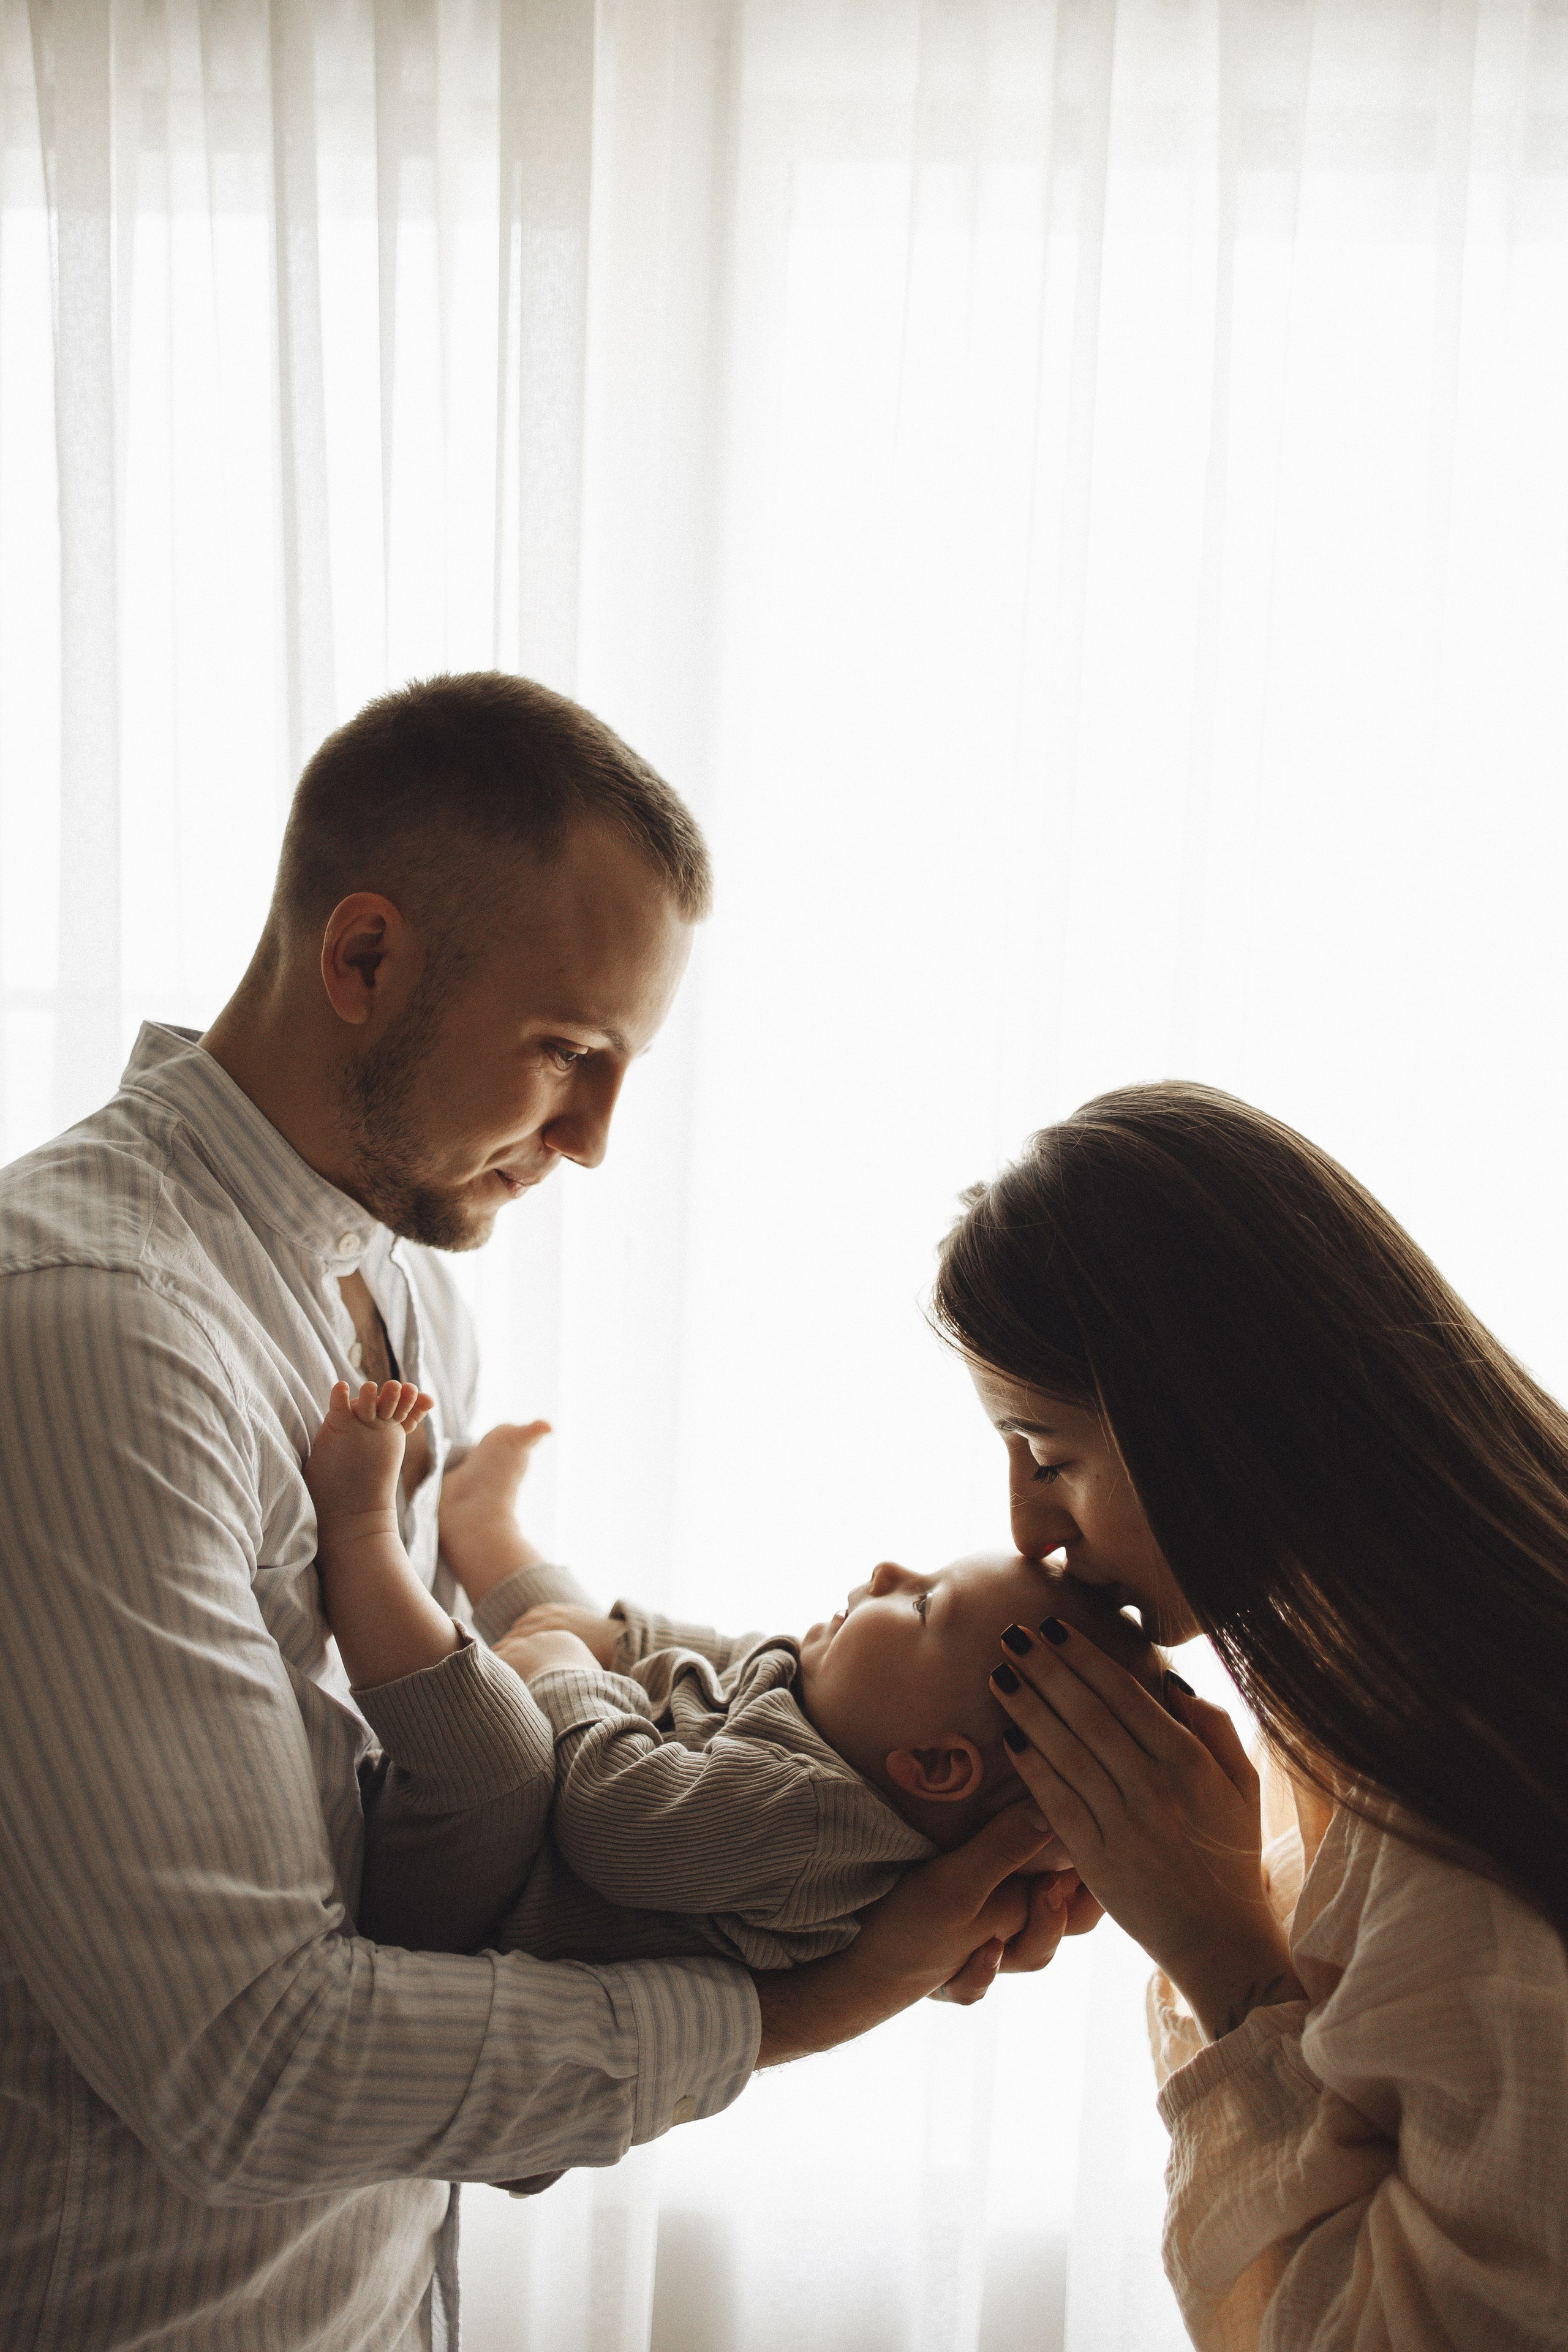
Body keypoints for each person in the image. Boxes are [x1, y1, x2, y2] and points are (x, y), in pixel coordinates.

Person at [0, 672, 1065, 2352]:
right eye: (570, 1052)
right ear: (364, 961)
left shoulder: (410, 1305)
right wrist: (800, 2006)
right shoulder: (84, 1333)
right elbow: (241, 2068)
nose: (593, 1138)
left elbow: (450, 1839)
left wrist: (857, 1852)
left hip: (381, 2301)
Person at [930, 1081, 1568, 2351]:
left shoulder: (1462, 1757)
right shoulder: (1374, 1699)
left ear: (1203, 1410)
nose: (1026, 1531)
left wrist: (1218, 1954)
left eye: (1045, 1455)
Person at [296, 1374, 1146, 1964]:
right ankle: (479, 1523)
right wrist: (611, 1643)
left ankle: (358, 1530)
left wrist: (566, 1673)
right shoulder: (840, 1724)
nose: (888, 1573)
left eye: (924, 1606)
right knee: (588, 1623)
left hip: (464, 1912)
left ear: (933, 1764)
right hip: (520, 1836)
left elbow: (611, 1820)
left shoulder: (809, 1825)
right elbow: (732, 1658)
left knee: (503, 1744)